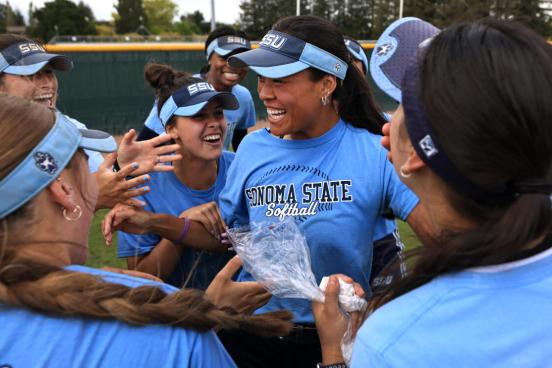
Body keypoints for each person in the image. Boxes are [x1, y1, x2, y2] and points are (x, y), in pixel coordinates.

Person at [314, 18, 552, 367]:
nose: (387, 121)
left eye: (401, 106)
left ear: (413, 153)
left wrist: (335, 354)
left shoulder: (395, 342)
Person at [0, 94, 293, 367]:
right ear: (63, 191)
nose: (99, 184)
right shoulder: (166, 329)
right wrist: (203, 314)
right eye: (88, 169)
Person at [210, 15, 429, 368]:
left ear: (326, 84)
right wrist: (182, 223)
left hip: (335, 336)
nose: (265, 92)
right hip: (251, 334)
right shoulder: (251, 149)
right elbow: (233, 234)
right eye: (262, 79)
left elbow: (442, 231)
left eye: (279, 80)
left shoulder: (375, 150)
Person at [0, 33, 183, 210]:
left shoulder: (72, 129)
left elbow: (100, 183)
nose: (47, 83)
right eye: (31, 74)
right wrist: (89, 199)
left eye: (48, 72)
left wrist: (121, 167)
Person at [116, 63, 237, 289]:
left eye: (218, 113)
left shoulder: (241, 169)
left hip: (239, 314)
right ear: (172, 129)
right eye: (199, 116)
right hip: (174, 317)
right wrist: (182, 225)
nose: (214, 124)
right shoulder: (143, 186)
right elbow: (141, 279)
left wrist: (172, 226)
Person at [138, 27, 256, 151]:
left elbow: (239, 139)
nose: (233, 65)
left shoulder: (243, 96)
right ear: (209, 57)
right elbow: (145, 141)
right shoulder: (179, 90)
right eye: (224, 57)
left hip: (217, 168)